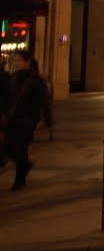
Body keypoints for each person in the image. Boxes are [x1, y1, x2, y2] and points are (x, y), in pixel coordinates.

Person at [2, 51, 49, 191]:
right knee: (7, 148)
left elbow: (44, 101)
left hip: (28, 120)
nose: (16, 64)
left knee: (21, 149)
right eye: (15, 61)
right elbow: (7, 98)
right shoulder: (12, 78)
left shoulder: (35, 81)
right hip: (13, 119)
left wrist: (47, 121)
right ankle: (25, 165)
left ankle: (19, 180)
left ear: (28, 62)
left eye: (19, 61)